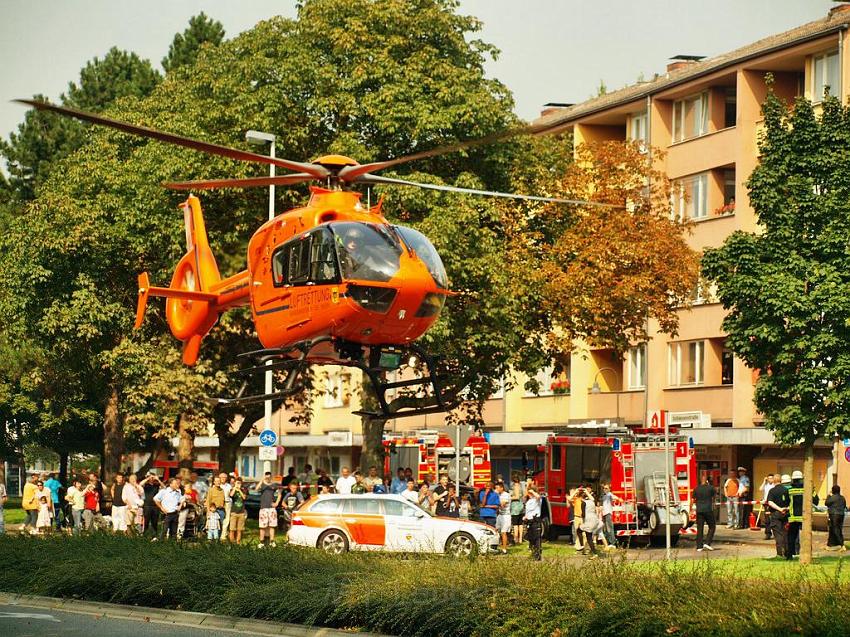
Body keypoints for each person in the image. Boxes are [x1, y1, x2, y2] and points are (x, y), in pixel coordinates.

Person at [766, 474, 791, 559]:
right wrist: (785, 509)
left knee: (778, 534)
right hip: (786, 514)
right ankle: (788, 553)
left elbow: (770, 502)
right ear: (781, 481)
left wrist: (779, 509)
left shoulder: (772, 491)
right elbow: (790, 502)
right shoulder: (786, 490)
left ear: (774, 481)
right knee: (785, 533)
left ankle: (780, 554)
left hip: (776, 514)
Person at [256, 472, 281, 548]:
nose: (268, 478)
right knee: (262, 526)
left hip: (272, 509)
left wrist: (276, 503)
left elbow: (279, 494)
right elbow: (256, 489)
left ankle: (272, 541)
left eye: (269, 477)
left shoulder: (274, 485)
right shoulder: (262, 485)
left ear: (271, 477)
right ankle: (261, 542)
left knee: (272, 526)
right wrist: (262, 480)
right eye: (266, 477)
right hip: (263, 508)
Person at [693, 475, 717, 552]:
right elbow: (714, 497)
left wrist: (691, 509)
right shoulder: (711, 488)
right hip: (708, 509)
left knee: (700, 528)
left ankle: (699, 546)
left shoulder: (696, 488)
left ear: (700, 480)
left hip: (699, 510)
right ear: (707, 480)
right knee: (712, 526)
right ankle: (707, 542)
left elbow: (693, 499)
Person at [786, 470, 804, 560]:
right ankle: (805, 554)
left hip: (793, 517)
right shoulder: (807, 489)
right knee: (806, 537)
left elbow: (785, 502)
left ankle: (790, 555)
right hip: (805, 517)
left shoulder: (789, 490)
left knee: (791, 537)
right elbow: (816, 500)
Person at [140, 471, 163, 537]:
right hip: (147, 505)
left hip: (155, 506)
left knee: (154, 522)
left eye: (153, 477)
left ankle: (154, 536)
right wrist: (148, 478)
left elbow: (164, 488)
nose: (152, 479)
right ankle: (144, 535)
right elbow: (140, 484)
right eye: (151, 477)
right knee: (146, 522)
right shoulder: (145, 485)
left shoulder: (157, 485)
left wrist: (158, 479)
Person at [524, 482, 543, 561]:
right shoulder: (529, 501)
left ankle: (537, 555)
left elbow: (538, 496)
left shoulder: (537, 500)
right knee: (530, 538)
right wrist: (525, 516)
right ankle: (532, 553)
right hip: (529, 521)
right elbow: (528, 511)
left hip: (536, 521)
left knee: (536, 538)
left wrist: (533, 492)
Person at [578, 491, 600, 558]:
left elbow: (583, 514)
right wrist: (586, 492)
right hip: (595, 520)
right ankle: (594, 553)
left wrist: (582, 521)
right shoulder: (592, 501)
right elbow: (592, 498)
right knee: (589, 537)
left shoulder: (583, 503)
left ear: (582, 497)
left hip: (588, 520)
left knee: (578, 530)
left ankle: (581, 545)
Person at [825, 485, 847, 551]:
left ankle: (842, 545)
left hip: (834, 515)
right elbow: (844, 506)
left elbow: (826, 503)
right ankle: (829, 545)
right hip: (841, 515)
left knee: (835, 529)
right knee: (834, 529)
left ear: (833, 490)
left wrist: (828, 495)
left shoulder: (832, 497)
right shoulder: (842, 498)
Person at [600, 483, 620, 548]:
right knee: (605, 529)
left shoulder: (609, 494)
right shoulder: (604, 495)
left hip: (608, 513)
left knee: (609, 528)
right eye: (604, 488)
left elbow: (615, 498)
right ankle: (608, 543)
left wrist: (618, 499)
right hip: (604, 513)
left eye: (606, 488)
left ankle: (613, 543)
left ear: (609, 489)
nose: (604, 489)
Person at [495, 482, 512, 554]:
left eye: (497, 488)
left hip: (506, 516)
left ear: (501, 488)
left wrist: (494, 503)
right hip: (500, 515)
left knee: (503, 532)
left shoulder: (506, 495)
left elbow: (502, 505)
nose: (496, 489)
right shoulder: (498, 495)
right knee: (495, 530)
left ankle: (504, 549)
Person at [229, 479, 248, 544]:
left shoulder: (244, 490)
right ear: (234, 483)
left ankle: (238, 542)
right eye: (237, 483)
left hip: (241, 513)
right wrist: (235, 488)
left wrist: (239, 490)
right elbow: (231, 495)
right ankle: (232, 542)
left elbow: (244, 497)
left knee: (239, 529)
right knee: (232, 529)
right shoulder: (232, 490)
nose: (238, 484)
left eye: (239, 483)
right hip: (234, 512)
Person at [510, 474, 526, 545]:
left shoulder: (516, 486)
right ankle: (520, 539)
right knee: (520, 523)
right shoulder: (521, 486)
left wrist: (509, 497)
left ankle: (515, 539)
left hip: (515, 507)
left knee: (515, 524)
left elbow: (516, 496)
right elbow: (525, 495)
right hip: (521, 505)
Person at [760, 474, 775, 540]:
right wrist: (764, 481)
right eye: (769, 478)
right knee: (767, 520)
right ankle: (768, 534)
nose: (770, 479)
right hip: (766, 504)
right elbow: (760, 489)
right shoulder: (766, 485)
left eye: (771, 478)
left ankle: (775, 533)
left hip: (773, 504)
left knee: (774, 519)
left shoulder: (774, 485)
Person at [219, 472, 232, 540]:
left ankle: (223, 536)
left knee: (227, 519)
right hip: (219, 504)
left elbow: (231, 495)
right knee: (219, 519)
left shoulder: (229, 486)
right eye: (222, 477)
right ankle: (217, 534)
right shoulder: (217, 485)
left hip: (227, 503)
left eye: (224, 477)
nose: (223, 479)